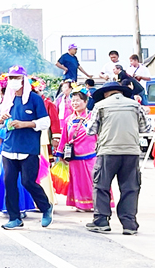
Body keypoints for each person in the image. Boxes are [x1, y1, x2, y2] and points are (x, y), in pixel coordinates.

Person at [0, 65, 53, 230]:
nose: (13, 82)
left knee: (28, 181)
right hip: (8, 148)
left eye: (17, 78)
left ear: (24, 79)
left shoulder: (34, 99)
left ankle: (46, 207)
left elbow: (45, 122)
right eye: (11, 78)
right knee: (9, 182)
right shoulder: (7, 100)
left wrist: (25, 124)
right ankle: (14, 217)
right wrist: (0, 120)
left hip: (28, 149)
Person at [85, 82, 148, 234]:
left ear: (106, 93)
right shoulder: (135, 105)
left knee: (101, 186)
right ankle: (129, 224)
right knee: (130, 188)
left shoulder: (100, 106)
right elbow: (145, 128)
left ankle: (101, 221)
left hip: (108, 150)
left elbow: (90, 130)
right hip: (131, 152)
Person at [56, 89, 97, 212]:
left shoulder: (92, 117)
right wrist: (60, 153)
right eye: (73, 101)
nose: (75, 103)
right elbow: (64, 137)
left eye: (78, 100)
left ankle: (95, 203)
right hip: (74, 155)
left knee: (92, 180)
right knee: (78, 181)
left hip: (90, 155)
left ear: (85, 102)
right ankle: (80, 204)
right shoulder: (69, 119)